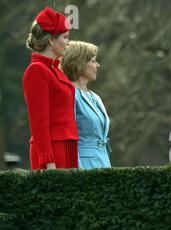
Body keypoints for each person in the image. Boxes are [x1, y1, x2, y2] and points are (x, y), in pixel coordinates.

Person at [23, 7, 79, 170]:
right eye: (65, 37)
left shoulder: (54, 71)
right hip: (52, 152)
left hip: (66, 147)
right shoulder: (37, 71)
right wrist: (48, 161)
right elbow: (38, 123)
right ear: (51, 41)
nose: (68, 43)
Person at [61, 41, 111, 169]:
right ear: (79, 63)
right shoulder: (69, 94)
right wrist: (78, 170)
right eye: (93, 61)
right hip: (84, 166)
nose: (98, 65)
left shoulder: (95, 97)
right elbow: (69, 137)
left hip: (103, 163)